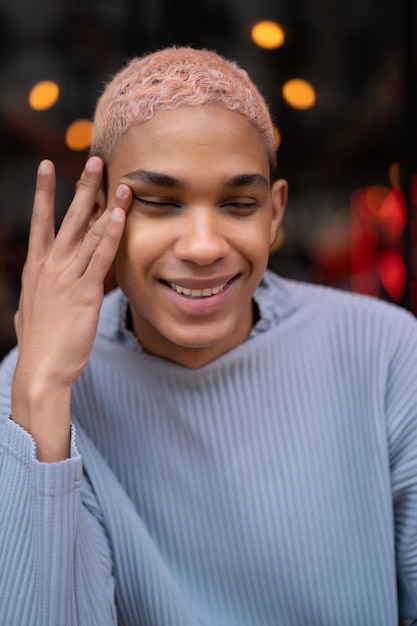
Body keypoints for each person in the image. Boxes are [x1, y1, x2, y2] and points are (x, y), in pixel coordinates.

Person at [0, 46, 416, 626]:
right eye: (160, 203)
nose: (203, 246)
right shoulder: (37, 384)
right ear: (98, 216)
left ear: (274, 215)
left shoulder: (385, 353)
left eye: (238, 203)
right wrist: (41, 388)